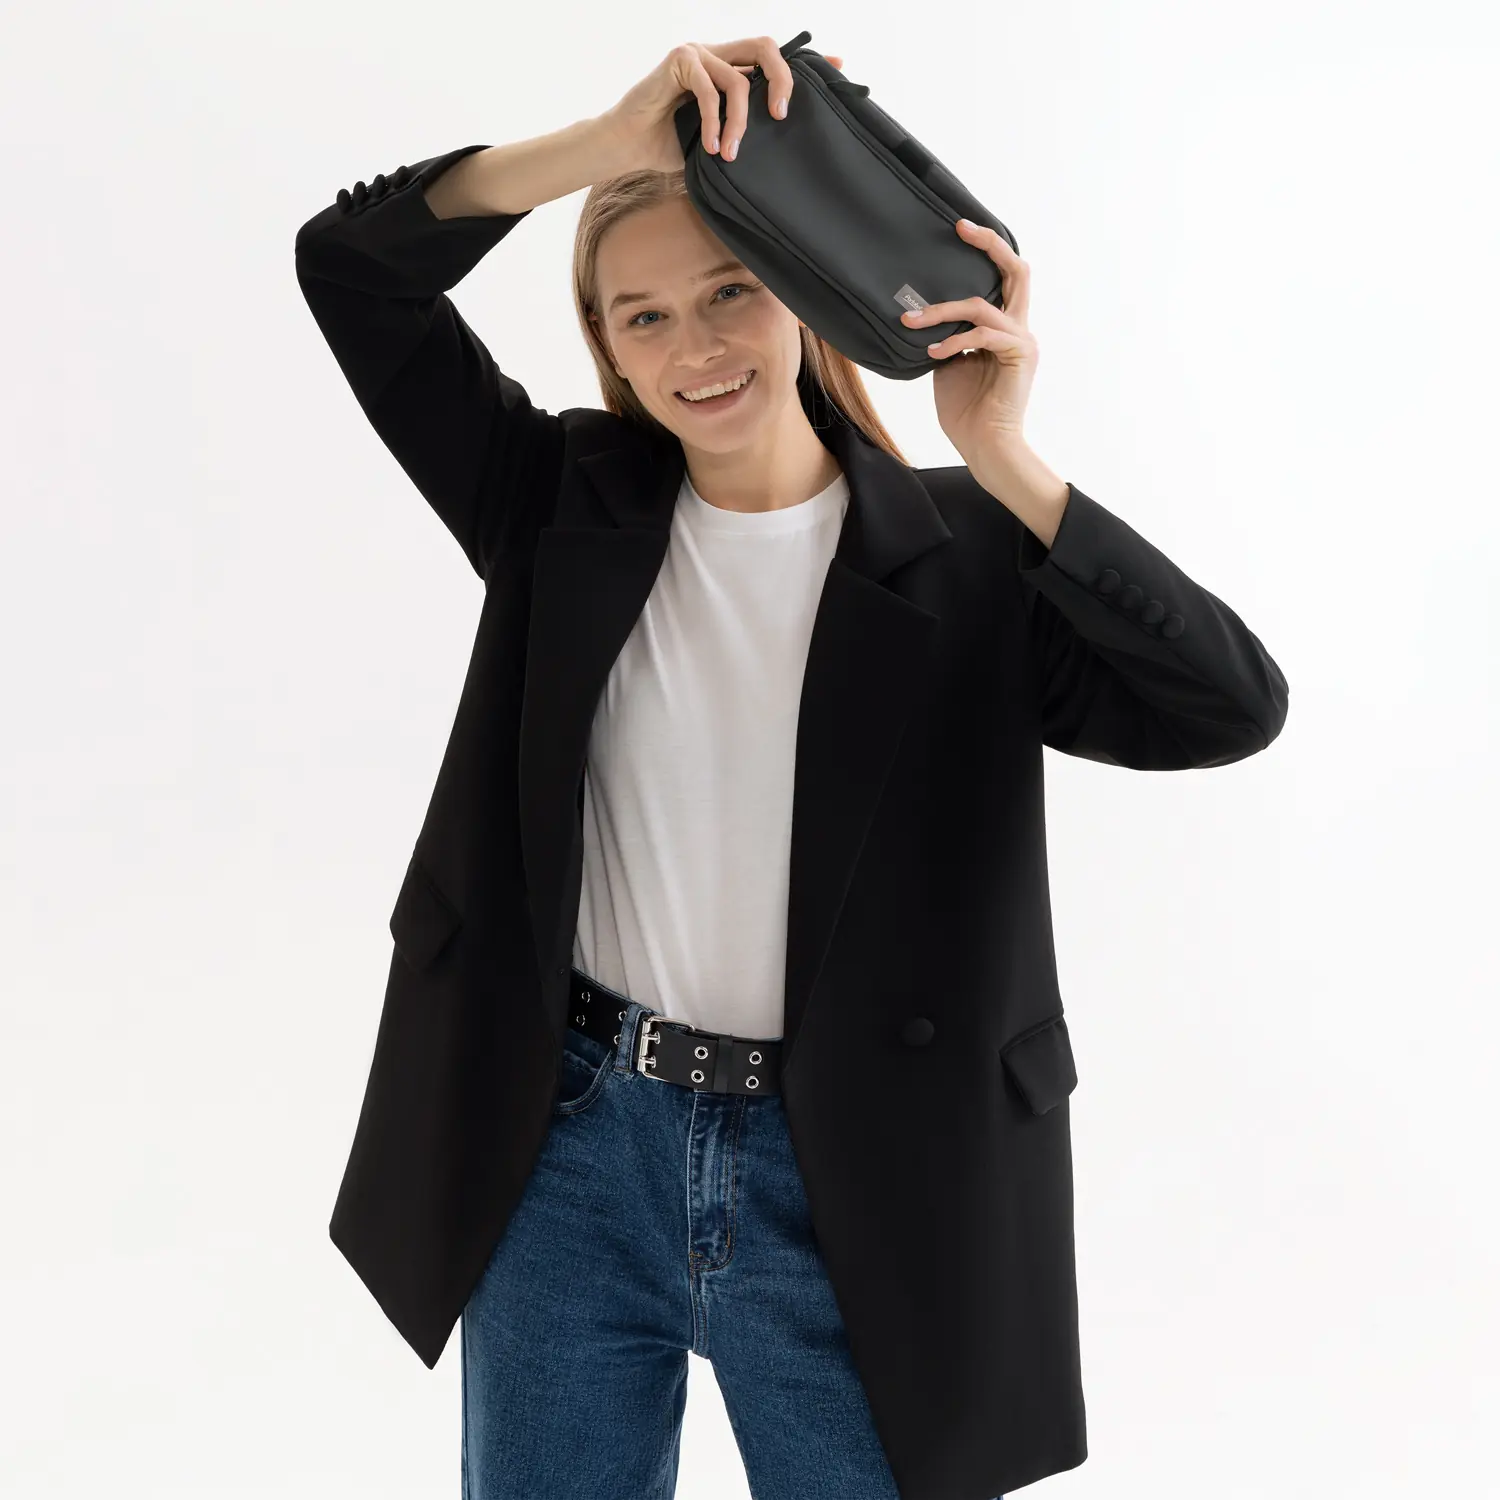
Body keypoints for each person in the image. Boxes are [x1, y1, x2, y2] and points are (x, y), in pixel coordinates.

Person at [295, 33, 1287, 1500]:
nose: (693, 349)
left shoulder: (967, 559)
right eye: (643, 317)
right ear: (608, 347)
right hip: (572, 1145)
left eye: (730, 292)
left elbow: (1226, 705)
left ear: (805, 297)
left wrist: (1008, 460)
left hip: (853, 1170)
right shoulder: (555, 505)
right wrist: (603, 148)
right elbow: (349, 270)